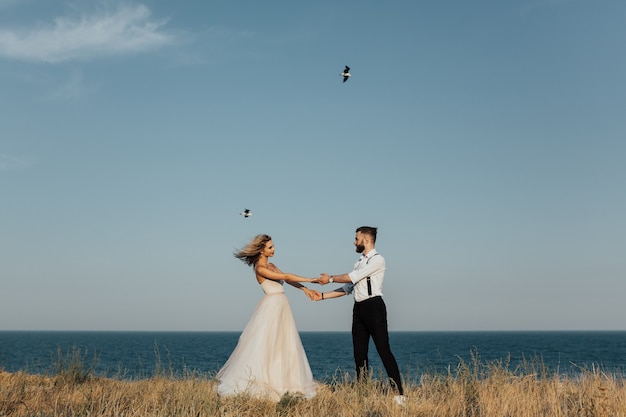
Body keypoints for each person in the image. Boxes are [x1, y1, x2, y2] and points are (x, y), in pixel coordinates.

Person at [216, 234, 320, 401]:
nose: (274, 249)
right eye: (270, 247)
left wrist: (305, 289)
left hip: (282, 305)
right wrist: (311, 279)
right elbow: (286, 277)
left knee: (284, 343)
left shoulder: (272, 265)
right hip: (271, 307)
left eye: (273, 246)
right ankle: (264, 381)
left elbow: (286, 277)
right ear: (261, 250)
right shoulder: (260, 268)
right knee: (266, 343)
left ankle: (285, 382)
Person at [314, 226, 406, 406]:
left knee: (383, 350)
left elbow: (352, 277)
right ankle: (363, 393)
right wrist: (322, 296)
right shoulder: (358, 262)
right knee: (359, 354)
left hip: (374, 307)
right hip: (359, 309)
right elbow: (348, 288)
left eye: (356, 238)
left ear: (366, 239)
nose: (354, 242)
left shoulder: (378, 260)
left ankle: (399, 394)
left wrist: (330, 278)